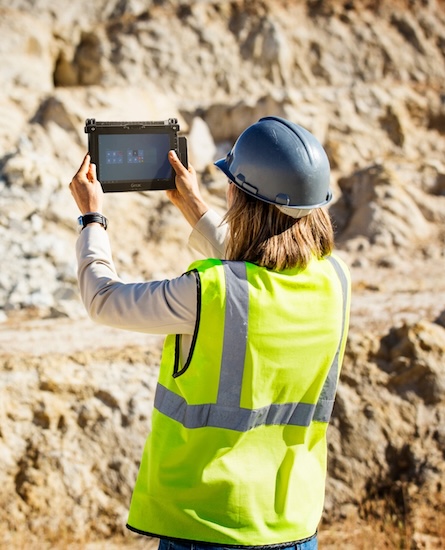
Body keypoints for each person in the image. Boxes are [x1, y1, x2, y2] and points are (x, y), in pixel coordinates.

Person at [70, 116, 351, 550]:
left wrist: (92, 218)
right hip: (293, 525)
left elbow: (103, 299)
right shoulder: (335, 280)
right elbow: (263, 267)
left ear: (240, 197)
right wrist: (193, 206)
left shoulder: (211, 292)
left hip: (207, 526)